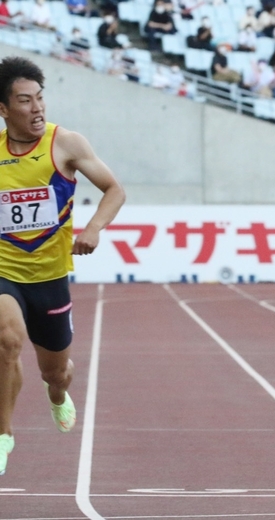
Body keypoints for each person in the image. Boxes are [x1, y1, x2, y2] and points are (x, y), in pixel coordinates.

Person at [0, 56, 126, 476]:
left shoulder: (65, 143)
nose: (37, 108)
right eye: (25, 101)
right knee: (6, 341)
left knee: (56, 372)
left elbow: (114, 190)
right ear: (3, 109)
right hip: (6, 273)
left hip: (51, 277)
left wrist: (93, 227)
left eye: (40, 98)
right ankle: (3, 435)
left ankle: (55, 394)